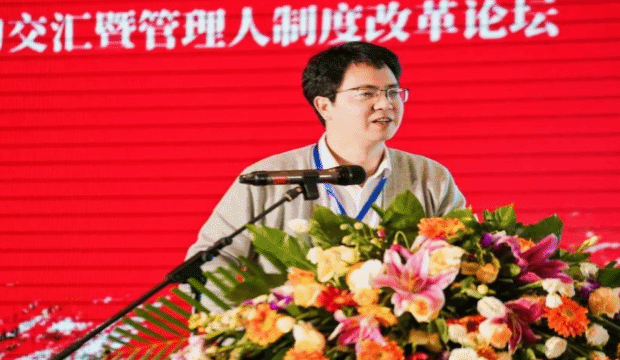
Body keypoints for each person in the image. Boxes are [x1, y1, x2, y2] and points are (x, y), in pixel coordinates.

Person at [185, 41, 466, 305]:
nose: (385, 104)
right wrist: (242, 324)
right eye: (367, 93)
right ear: (324, 105)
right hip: (294, 335)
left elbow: (465, 256)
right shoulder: (267, 179)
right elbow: (209, 263)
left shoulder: (431, 177)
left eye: (393, 92)